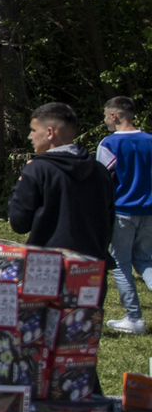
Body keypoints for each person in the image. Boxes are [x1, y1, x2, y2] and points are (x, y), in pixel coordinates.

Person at [9, 101, 114, 264]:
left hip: (47, 265)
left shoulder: (37, 170)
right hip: (92, 266)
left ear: (50, 132)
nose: (30, 136)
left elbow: (19, 223)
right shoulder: (100, 170)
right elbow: (109, 221)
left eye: (33, 130)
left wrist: (21, 185)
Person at [99, 96, 152, 333]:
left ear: (114, 116)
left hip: (122, 211)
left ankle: (134, 318)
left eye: (105, 116)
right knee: (145, 260)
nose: (104, 120)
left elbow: (102, 180)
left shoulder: (109, 144)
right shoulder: (150, 140)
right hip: (149, 211)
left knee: (120, 264)